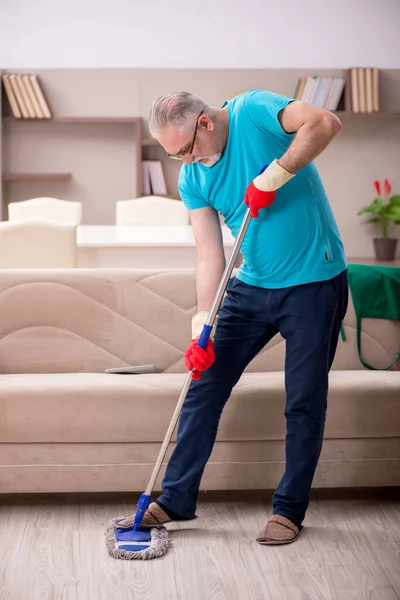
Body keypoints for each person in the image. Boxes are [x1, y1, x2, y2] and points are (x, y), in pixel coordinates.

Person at [118, 89, 349, 545]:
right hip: (251, 285)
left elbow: (325, 123)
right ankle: (178, 499)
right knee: (202, 385)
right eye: (172, 155)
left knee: (303, 401)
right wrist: (203, 323)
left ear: (204, 123)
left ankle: (288, 510)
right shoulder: (193, 178)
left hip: (313, 280)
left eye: (185, 150)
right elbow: (209, 255)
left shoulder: (255, 112)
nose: (184, 162)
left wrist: (277, 174)